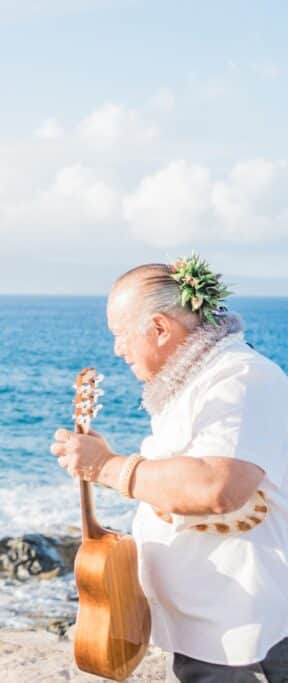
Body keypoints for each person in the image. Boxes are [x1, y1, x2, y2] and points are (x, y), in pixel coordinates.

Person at [50, 256, 288, 682]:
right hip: (210, 627)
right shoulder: (192, 385)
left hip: (249, 632)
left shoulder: (241, 378)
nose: (117, 349)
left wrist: (107, 466)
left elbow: (218, 485)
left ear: (159, 328)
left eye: (121, 334)